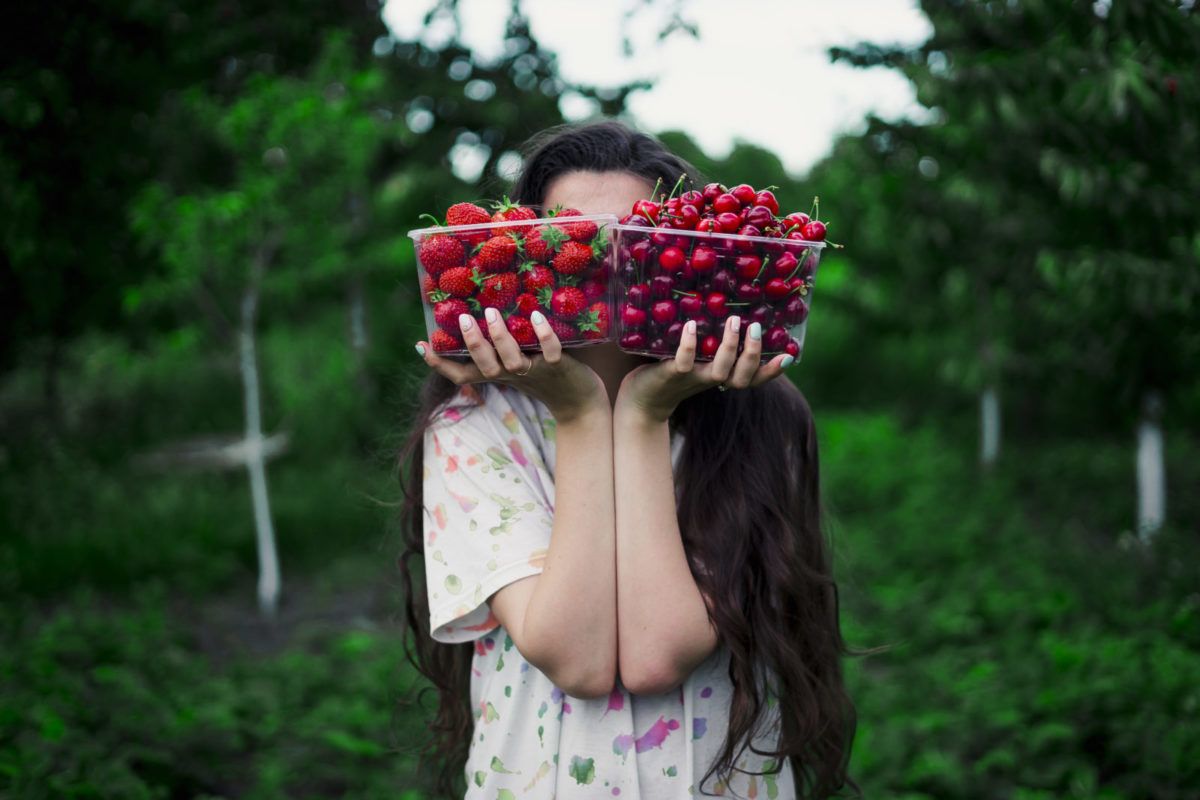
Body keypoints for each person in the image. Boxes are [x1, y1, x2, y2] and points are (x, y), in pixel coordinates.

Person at [396, 119, 860, 799]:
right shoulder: (475, 426)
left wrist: (642, 412)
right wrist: (584, 412)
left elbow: (655, 654)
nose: (598, 258)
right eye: (571, 235)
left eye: (630, 238)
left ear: (683, 250)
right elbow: (578, 660)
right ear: (524, 250)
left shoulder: (757, 415)